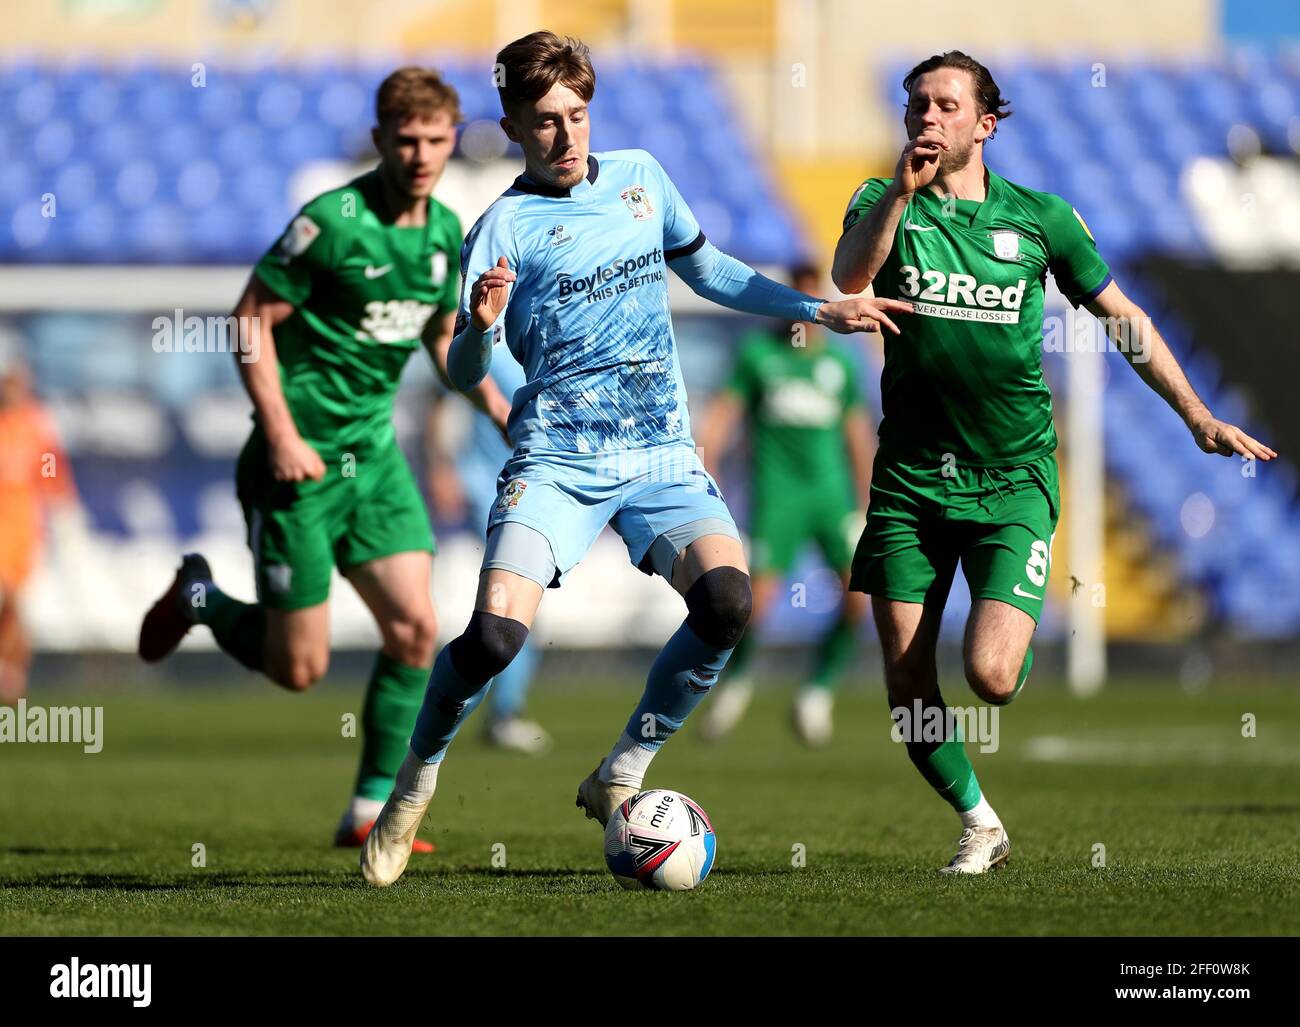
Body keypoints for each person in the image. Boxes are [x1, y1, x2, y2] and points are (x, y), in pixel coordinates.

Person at [359, 31, 912, 886]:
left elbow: (712, 271)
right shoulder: (503, 226)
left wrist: (818, 305)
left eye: (577, 115)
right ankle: (414, 780)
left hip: (658, 453)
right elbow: (462, 368)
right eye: (543, 121)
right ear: (510, 125)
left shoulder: (642, 179)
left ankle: (623, 766)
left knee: (728, 601)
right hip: (556, 459)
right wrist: (479, 323)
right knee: (497, 635)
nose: (565, 135)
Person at [832, 50, 1276, 874]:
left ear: (985, 124)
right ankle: (981, 822)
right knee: (906, 685)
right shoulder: (878, 201)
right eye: (917, 105)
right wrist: (898, 190)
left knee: (993, 678)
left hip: (1012, 479)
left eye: (946, 106)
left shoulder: (1042, 219)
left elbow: (1124, 318)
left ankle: (1015, 633)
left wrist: (1196, 413)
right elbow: (849, 278)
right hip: (910, 482)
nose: (928, 119)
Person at [138, 67, 511, 852]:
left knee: (416, 627)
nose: (419, 154)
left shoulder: (447, 233)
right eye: (403, 140)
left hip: (371, 460)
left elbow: (441, 339)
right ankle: (200, 597)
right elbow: (250, 321)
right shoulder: (332, 222)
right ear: (378, 141)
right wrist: (278, 430)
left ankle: (369, 810)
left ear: (453, 141)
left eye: (434, 140)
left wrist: (503, 410)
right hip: (296, 466)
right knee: (298, 667)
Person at [696, 264, 872, 745]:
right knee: (756, 603)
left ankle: (816, 693)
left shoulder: (839, 363)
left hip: (831, 497)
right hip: (777, 496)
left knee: (859, 598)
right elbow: (722, 418)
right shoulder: (758, 355)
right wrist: (705, 467)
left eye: (812, 297)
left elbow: (856, 434)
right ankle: (736, 683)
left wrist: (865, 499)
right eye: (797, 297)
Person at [425, 344, 552, 755]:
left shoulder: (548, 348)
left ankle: (486, 709)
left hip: (536, 487)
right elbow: (442, 400)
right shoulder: (490, 350)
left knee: (516, 606)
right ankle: (501, 714)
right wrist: (441, 467)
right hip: (491, 487)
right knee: (514, 605)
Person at [0, 344, 80, 704]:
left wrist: (63, 512)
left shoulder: (34, 424)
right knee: (7, 598)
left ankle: (13, 674)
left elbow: (49, 470)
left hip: (23, 531)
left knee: (17, 606)